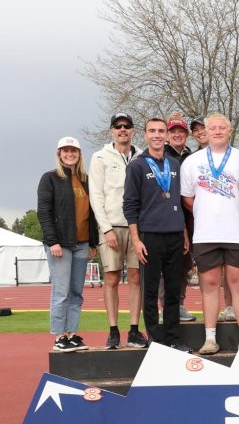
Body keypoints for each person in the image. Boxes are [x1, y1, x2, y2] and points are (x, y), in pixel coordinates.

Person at [180, 113, 239, 355]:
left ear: (230, 131)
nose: (217, 131)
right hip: (206, 233)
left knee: (238, 284)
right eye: (213, 128)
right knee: (208, 285)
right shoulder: (192, 161)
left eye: (222, 127)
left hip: (237, 233)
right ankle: (210, 338)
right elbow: (188, 198)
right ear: (204, 133)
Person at [123, 118, 190, 352]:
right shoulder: (137, 165)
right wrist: (136, 239)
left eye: (161, 131)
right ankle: (155, 336)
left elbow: (178, 202)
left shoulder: (174, 164)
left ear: (167, 135)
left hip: (174, 234)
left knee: (173, 290)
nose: (157, 135)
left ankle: (173, 336)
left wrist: (183, 232)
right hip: (149, 236)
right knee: (150, 291)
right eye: (152, 131)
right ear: (145, 135)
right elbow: (130, 205)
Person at [89, 113, 146, 350]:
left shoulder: (142, 157)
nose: (122, 130)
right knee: (111, 277)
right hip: (111, 227)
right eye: (118, 126)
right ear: (111, 131)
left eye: (127, 127)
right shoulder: (100, 157)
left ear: (133, 131)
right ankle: (113, 330)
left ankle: (134, 330)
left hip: (137, 228)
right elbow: (96, 195)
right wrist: (106, 229)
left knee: (135, 278)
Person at [38, 136, 98, 352]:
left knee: (76, 292)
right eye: (65, 151)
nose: (70, 154)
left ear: (79, 154)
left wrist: (93, 242)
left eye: (74, 150)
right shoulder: (50, 178)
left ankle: (71, 334)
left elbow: (90, 214)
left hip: (82, 243)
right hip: (60, 244)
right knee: (61, 291)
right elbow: (43, 212)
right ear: (59, 154)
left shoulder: (85, 179)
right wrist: (52, 240)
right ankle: (59, 337)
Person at [164, 114, 196, 322]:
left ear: (186, 135)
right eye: (173, 131)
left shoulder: (190, 156)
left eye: (181, 131)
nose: (177, 134)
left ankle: (179, 305)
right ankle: (168, 307)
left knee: (185, 264)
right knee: (167, 267)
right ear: (168, 135)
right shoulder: (161, 155)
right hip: (167, 218)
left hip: (190, 217)